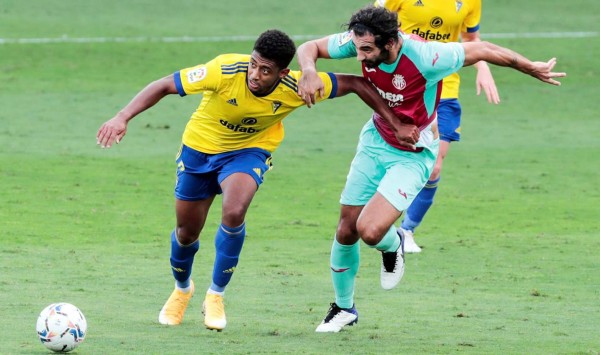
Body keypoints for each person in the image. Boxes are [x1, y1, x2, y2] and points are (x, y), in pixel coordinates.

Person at [96, 29, 408, 332]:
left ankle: (216, 295)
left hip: (248, 153)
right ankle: (182, 289)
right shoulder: (224, 69)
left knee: (234, 211)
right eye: (254, 64)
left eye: (265, 70)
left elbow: (356, 84)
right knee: (186, 233)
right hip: (199, 152)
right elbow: (165, 85)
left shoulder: (296, 86)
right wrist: (122, 116)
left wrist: (393, 122)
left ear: (283, 72)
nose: (255, 74)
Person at [296, 5, 565, 332]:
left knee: (369, 231)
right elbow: (308, 47)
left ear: (390, 43)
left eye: (367, 50)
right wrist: (309, 69)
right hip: (376, 140)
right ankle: (343, 308)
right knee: (345, 229)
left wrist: (530, 67)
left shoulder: (426, 56)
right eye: (357, 48)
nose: (360, 56)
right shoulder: (358, 42)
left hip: (414, 153)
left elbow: (483, 49)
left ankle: (395, 244)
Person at [374, 0, 499, 253]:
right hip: (405, 86)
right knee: (392, 158)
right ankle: (377, 219)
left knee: (434, 167)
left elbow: (471, 37)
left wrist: (482, 67)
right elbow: (371, 23)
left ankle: (406, 231)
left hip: (445, 89)